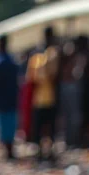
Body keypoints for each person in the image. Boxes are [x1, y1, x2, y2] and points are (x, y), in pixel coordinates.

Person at [26, 26, 60, 159]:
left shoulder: (52, 54)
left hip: (50, 97)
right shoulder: (38, 57)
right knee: (41, 126)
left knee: (49, 126)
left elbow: (54, 77)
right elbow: (31, 79)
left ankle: (49, 151)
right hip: (40, 98)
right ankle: (41, 150)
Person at [0, 35, 20, 159]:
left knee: (4, 125)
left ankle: (8, 150)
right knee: (10, 125)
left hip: (2, 100)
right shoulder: (13, 61)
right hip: (12, 98)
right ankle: (10, 149)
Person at [58, 36, 88, 147]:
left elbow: (78, 73)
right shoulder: (63, 59)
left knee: (74, 116)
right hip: (67, 87)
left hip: (74, 87)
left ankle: (73, 139)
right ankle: (68, 139)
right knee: (66, 115)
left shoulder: (79, 59)